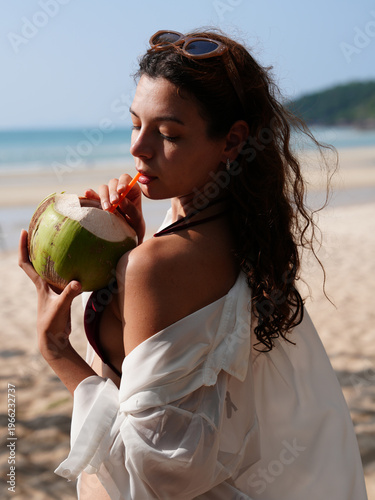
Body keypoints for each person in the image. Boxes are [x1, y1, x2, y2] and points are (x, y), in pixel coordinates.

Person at [19, 29, 368, 499]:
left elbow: (157, 474)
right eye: (134, 123)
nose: (138, 149)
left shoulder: (158, 265)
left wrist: (59, 352)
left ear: (231, 142)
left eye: (167, 134)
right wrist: (134, 250)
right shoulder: (238, 235)